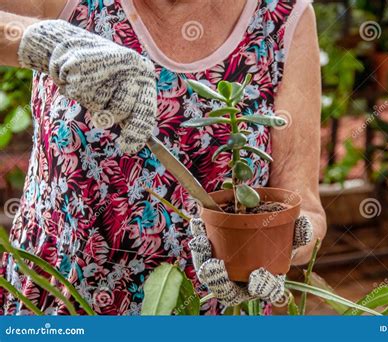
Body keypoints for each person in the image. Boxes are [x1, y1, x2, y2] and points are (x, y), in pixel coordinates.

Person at [0, 0, 326, 315]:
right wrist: (43, 41)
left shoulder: (280, 20)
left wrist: (272, 251)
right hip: (58, 306)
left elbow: (306, 210)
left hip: (210, 314)